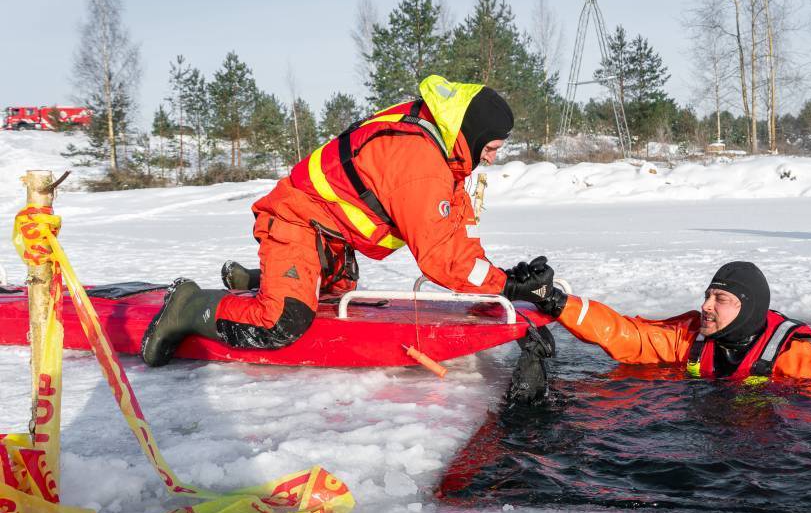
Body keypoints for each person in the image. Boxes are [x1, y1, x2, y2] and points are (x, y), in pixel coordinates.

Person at [141, 75, 554, 366]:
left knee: (339, 291)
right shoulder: (420, 164)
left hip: (330, 231)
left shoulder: (445, 151)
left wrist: (501, 277)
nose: (492, 157)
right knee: (284, 322)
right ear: (473, 133)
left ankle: (273, 277)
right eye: (493, 147)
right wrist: (506, 287)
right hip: (296, 220)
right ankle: (190, 306)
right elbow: (441, 259)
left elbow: (457, 235)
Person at [532, 261, 811, 384]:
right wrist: (556, 302)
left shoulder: (798, 358)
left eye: (720, 300)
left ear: (748, 309)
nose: (705, 306)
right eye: (707, 295)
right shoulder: (691, 339)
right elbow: (628, 336)